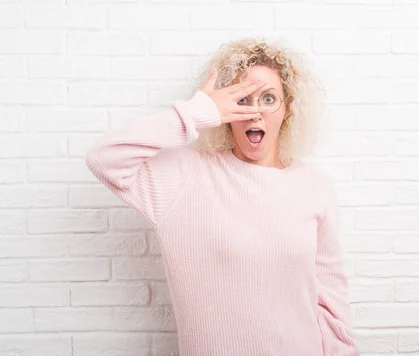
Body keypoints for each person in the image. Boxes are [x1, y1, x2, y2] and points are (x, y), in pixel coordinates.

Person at [85, 37, 359, 356]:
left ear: (287, 109)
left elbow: (331, 301)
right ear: (225, 110)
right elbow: (105, 159)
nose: (255, 112)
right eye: (243, 99)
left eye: (269, 98)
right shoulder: (185, 179)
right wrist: (197, 112)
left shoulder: (314, 184)